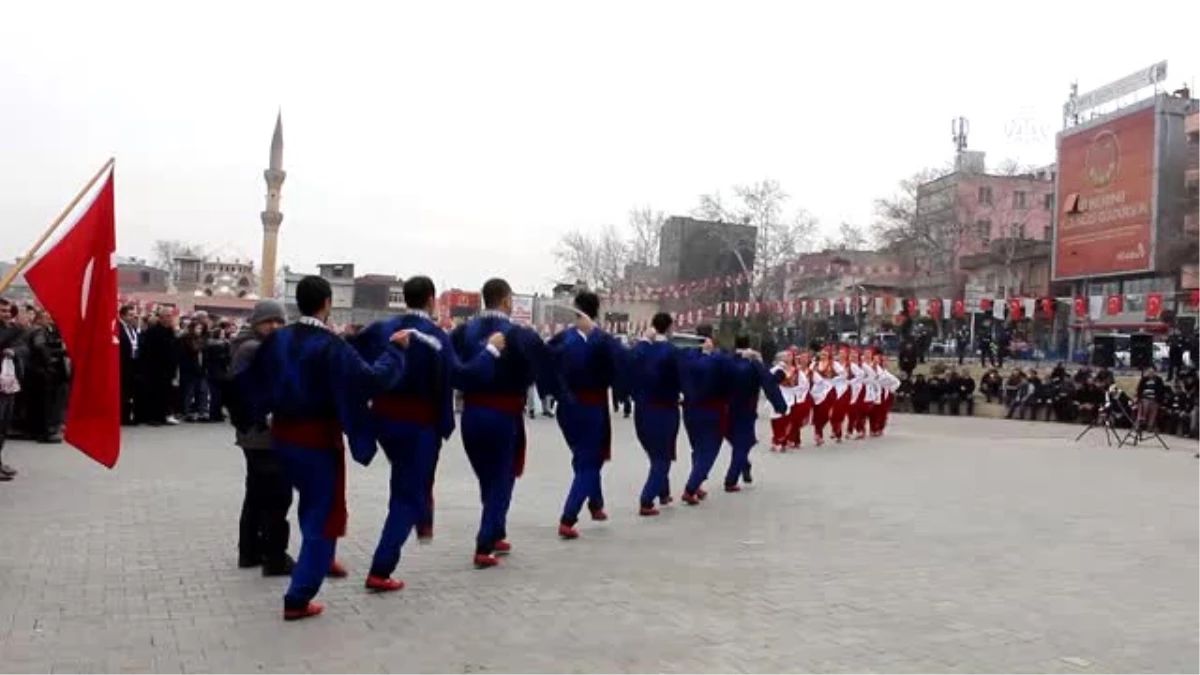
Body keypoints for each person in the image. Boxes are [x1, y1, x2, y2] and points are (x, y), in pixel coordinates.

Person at [237, 275, 413, 621]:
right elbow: (370, 380)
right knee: (321, 517)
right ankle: (298, 596)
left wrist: (256, 415)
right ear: (327, 303)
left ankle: (309, 564)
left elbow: (252, 382)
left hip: (281, 437)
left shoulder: (278, 340)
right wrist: (395, 351)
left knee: (305, 507)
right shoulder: (329, 345)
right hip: (317, 439)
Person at [353, 276, 504, 589]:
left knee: (405, 481)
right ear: (431, 300)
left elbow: (353, 356)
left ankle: (422, 514)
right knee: (408, 494)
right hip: (419, 426)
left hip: (384, 423)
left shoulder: (382, 329)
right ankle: (381, 568)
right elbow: (462, 376)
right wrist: (490, 351)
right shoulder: (435, 336)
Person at [451, 278, 556, 569]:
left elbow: (449, 366)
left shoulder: (462, 332)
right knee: (502, 477)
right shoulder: (518, 334)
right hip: (503, 415)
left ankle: (497, 530)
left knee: (488, 476)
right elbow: (544, 367)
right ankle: (485, 543)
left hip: (471, 414)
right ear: (507, 300)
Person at [550, 291, 627, 539]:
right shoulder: (603, 340)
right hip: (592, 407)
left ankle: (595, 503)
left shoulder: (562, 338)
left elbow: (544, 363)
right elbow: (623, 364)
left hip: (567, 408)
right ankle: (568, 517)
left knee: (583, 458)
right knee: (589, 462)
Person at [229, 300, 294, 577]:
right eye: (268, 321)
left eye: (279, 321)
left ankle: (250, 551)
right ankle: (274, 557)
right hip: (263, 435)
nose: (275, 327)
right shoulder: (252, 348)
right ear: (256, 323)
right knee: (277, 498)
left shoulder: (251, 346)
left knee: (256, 494)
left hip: (254, 435)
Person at [628, 312, 682, 516]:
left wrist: (642, 341)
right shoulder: (672, 352)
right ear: (669, 327)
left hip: (642, 409)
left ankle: (663, 492)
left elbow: (629, 363)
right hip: (665, 409)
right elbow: (681, 378)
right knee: (663, 457)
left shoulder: (641, 350)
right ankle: (647, 499)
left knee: (655, 453)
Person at [722, 335, 787, 492]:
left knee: (736, 441)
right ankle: (731, 479)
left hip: (725, 408)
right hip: (746, 408)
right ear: (749, 345)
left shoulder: (725, 361)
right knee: (743, 443)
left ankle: (742, 464)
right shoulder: (754, 363)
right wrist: (780, 406)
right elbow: (769, 383)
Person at [678, 324, 731, 505]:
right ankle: (690, 488)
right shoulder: (717, 359)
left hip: (690, 409)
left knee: (698, 449)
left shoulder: (685, 356)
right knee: (708, 451)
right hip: (711, 410)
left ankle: (697, 481)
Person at [139, 308, 180, 426]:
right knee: (154, 393)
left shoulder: (170, 331)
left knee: (166, 393)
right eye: (167, 316)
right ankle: (152, 417)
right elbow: (148, 351)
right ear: (161, 318)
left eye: (170, 316)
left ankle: (163, 416)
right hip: (155, 369)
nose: (169, 318)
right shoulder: (152, 332)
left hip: (168, 369)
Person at [117, 304, 140, 426]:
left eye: (133, 315)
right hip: (122, 363)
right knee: (123, 391)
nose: (132, 317)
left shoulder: (132, 328)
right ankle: (121, 416)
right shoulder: (118, 327)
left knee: (130, 391)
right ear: (122, 315)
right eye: (130, 315)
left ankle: (127, 415)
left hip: (133, 363)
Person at [786, 349, 813, 448]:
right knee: (791, 418)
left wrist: (796, 390)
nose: (803, 359)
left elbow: (805, 385)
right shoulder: (787, 369)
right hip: (789, 397)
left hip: (802, 397)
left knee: (796, 419)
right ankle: (794, 440)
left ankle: (793, 439)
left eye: (805, 358)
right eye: (801, 358)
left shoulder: (802, 371)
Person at [809, 349, 835, 445]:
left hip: (829, 389)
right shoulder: (814, 364)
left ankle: (819, 430)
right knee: (818, 412)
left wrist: (835, 379)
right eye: (822, 354)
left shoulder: (833, 364)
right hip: (817, 391)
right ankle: (818, 434)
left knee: (826, 413)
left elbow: (843, 374)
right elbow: (808, 374)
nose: (823, 356)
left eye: (825, 354)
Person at [1136, 365, 1167, 432]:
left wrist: (1157, 398)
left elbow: (1161, 391)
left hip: (1154, 399)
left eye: (1152, 372)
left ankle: (1150, 426)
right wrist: (1139, 398)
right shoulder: (1144, 379)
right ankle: (1140, 424)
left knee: (1153, 407)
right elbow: (1139, 390)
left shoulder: (1158, 380)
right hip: (1144, 398)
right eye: (1149, 372)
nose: (1151, 373)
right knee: (1145, 405)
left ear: (1155, 372)